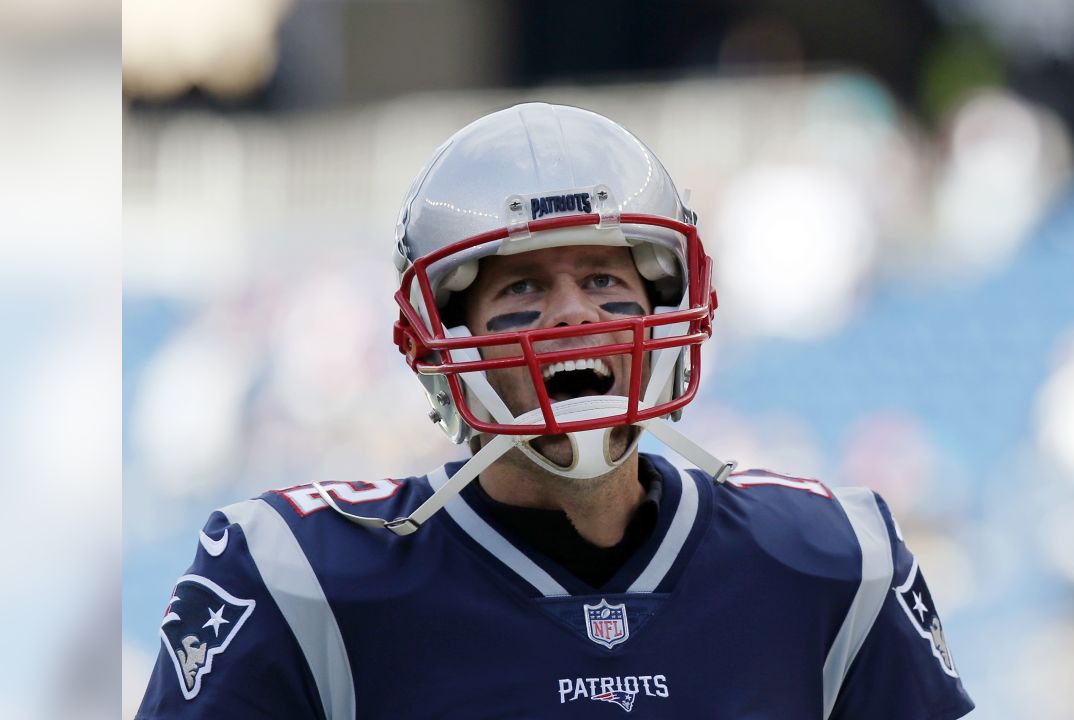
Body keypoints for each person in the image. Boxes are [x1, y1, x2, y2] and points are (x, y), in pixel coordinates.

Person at [136, 102, 975, 719]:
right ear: (440, 337)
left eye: (605, 279)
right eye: (524, 286)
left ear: (669, 307)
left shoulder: (830, 560)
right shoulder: (297, 577)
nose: (572, 315)